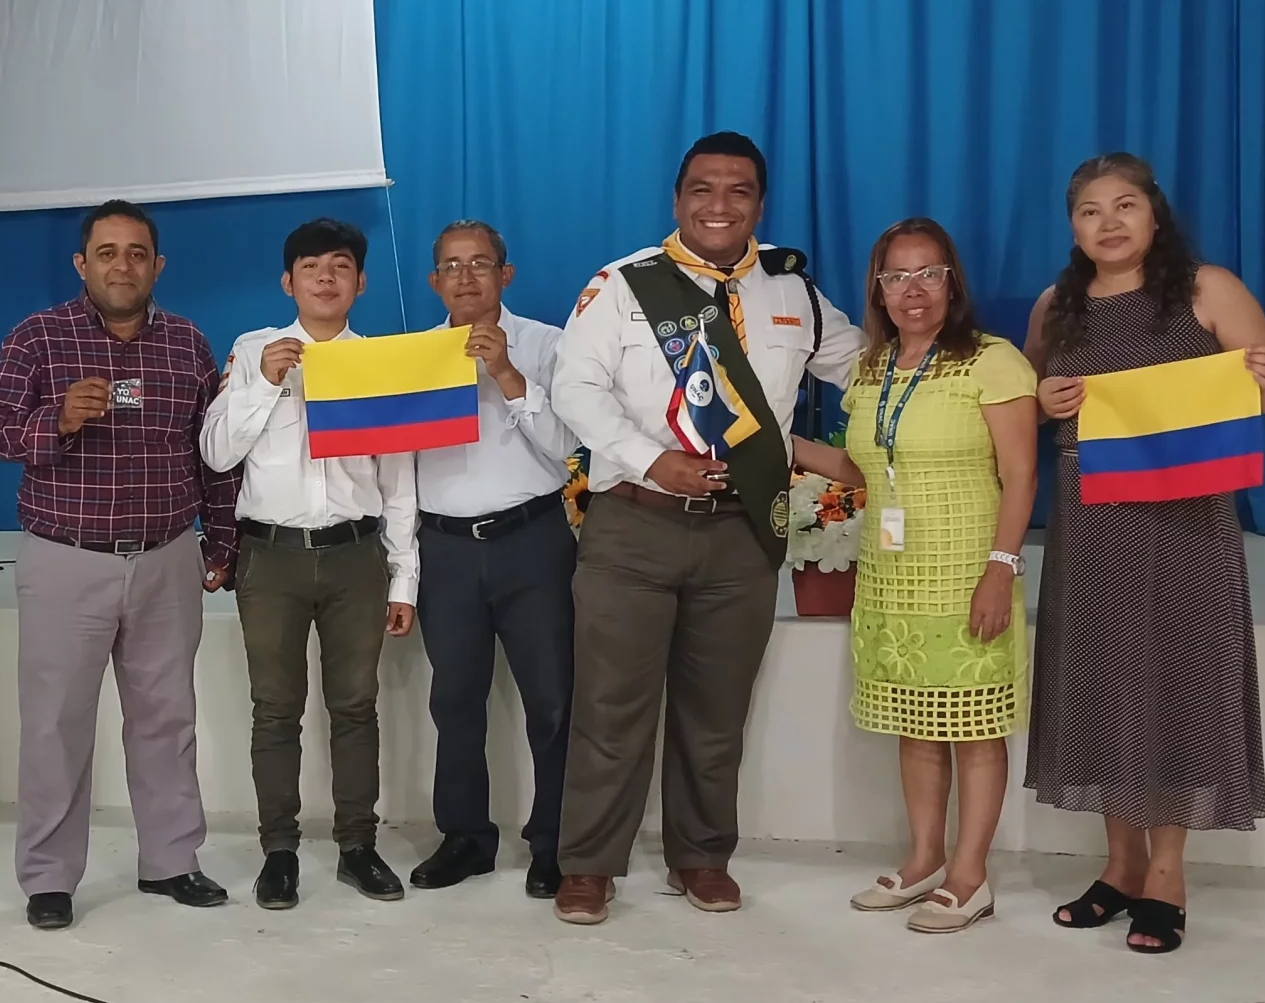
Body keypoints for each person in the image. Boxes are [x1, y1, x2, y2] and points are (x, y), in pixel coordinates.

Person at [548, 131, 863, 925]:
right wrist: (650, 461)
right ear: (678, 198)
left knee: (716, 712)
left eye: (739, 191)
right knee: (612, 709)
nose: (719, 206)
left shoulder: (793, 292)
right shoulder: (622, 286)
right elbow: (575, 389)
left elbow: (865, 369)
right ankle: (588, 864)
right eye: (702, 189)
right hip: (635, 526)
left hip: (743, 533)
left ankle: (701, 857)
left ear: (760, 203)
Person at [1023, 153, 1265, 954]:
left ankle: (1167, 876)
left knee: (1179, 679)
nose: (1109, 223)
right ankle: (1119, 865)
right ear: (1072, 225)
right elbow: (1025, 406)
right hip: (1092, 525)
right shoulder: (1055, 306)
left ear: (1154, 215)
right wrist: (1043, 402)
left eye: (1126, 206)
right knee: (1107, 678)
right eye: (1089, 211)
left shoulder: (1205, 288)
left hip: (1189, 524)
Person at [0, 200, 238, 931]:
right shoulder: (38, 338)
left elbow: (212, 457)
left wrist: (222, 543)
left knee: (166, 719)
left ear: (157, 265)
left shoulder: (187, 344)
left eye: (136, 252)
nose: (122, 265)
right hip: (68, 562)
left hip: (165, 560)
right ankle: (50, 878)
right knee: (56, 725)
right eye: (108, 251)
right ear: (82, 263)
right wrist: (54, 421)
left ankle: (171, 861)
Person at [201, 217, 419, 909]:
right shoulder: (253, 351)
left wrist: (404, 574)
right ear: (288, 281)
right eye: (311, 266)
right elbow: (215, 453)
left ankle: (358, 846)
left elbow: (400, 481)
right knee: (275, 711)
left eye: (341, 266)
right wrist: (263, 386)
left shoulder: (381, 364)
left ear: (361, 282)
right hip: (272, 560)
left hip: (356, 557)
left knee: (355, 707)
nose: (327, 276)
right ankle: (280, 853)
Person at [834, 219, 1038, 934]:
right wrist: (778, 446)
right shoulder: (870, 368)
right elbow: (865, 470)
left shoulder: (993, 361)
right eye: (897, 276)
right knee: (915, 725)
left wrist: (1000, 569)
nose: (913, 290)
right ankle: (922, 859)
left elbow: (1020, 476)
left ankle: (971, 875)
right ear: (878, 290)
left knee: (974, 727)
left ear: (953, 282)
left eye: (929, 274)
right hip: (893, 577)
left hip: (968, 569)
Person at [404, 220, 576, 900]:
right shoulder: (411, 358)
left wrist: (507, 374)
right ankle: (466, 838)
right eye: (451, 266)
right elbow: (394, 467)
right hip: (444, 548)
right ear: (434, 282)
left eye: (480, 264)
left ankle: (556, 842)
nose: (466, 277)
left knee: (554, 700)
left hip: (533, 541)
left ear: (505, 274)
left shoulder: (548, 346)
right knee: (454, 700)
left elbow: (567, 448)